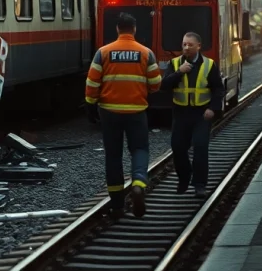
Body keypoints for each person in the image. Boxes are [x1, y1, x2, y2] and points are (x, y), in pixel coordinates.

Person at [85, 13, 162, 218]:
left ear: (118, 29)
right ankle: (138, 183)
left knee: (113, 156)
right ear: (134, 30)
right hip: (136, 111)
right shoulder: (146, 53)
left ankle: (118, 205)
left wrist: (91, 105)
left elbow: (92, 83)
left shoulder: (103, 53)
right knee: (139, 149)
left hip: (109, 112)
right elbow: (156, 84)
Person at [161, 32, 225, 198]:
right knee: (178, 148)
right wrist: (179, 73)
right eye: (184, 44)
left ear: (198, 46)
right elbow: (164, 85)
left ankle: (200, 184)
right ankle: (184, 177)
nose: (186, 48)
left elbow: (218, 88)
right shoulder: (174, 64)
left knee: (200, 147)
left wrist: (213, 108)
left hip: (201, 114)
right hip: (181, 113)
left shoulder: (209, 65)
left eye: (190, 45)